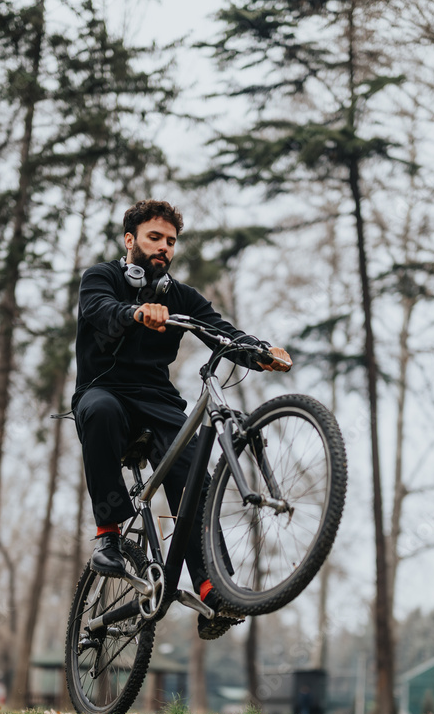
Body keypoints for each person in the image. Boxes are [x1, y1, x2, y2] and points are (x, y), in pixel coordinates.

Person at [72, 199, 291, 639]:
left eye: (171, 242)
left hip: (158, 401)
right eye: (155, 238)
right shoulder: (101, 277)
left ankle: (213, 587)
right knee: (99, 411)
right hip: (105, 391)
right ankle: (109, 536)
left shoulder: (179, 296)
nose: (164, 248)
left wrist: (261, 351)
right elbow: (100, 310)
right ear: (130, 240)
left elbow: (220, 329)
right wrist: (134, 312)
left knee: (194, 473)